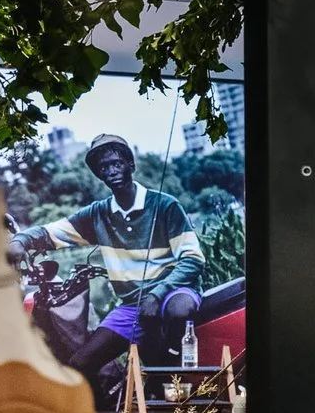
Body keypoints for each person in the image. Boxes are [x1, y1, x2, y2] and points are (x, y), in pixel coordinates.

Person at [15, 133, 206, 378]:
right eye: (104, 167)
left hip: (172, 293)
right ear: (99, 175)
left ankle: (172, 377)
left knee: (180, 310)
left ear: (131, 165)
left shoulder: (165, 205)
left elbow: (193, 259)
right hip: (132, 306)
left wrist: (157, 294)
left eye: (117, 163)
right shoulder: (98, 214)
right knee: (79, 364)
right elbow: (52, 232)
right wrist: (20, 241)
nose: (111, 171)